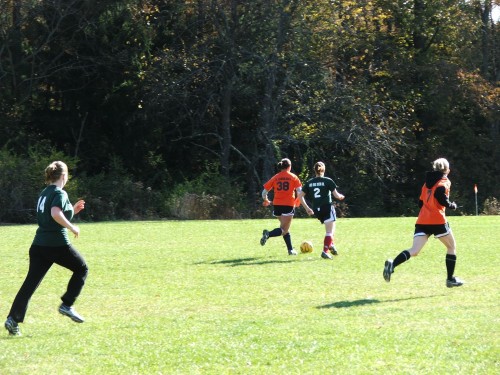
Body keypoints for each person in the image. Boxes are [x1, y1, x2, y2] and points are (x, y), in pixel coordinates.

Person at [4, 161, 88, 336]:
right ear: (64, 176)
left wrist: (72, 210)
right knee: (81, 268)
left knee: (30, 284)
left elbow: (53, 213)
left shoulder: (44, 193)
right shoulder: (60, 192)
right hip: (56, 244)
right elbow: (55, 213)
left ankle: (13, 319)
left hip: (39, 246)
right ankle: (67, 304)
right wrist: (72, 227)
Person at [383, 158, 463, 288]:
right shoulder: (444, 181)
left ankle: (393, 264)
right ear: (447, 170)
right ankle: (450, 279)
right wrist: (451, 205)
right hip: (437, 220)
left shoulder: (426, 184)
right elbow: (440, 196)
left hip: (422, 220)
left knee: (414, 250)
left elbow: (420, 203)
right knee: (451, 247)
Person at [260, 158, 308, 255]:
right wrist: (304, 205)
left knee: (285, 228)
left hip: (277, 205)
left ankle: (290, 250)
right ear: (289, 167)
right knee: (284, 229)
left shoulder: (275, 177)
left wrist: (266, 200)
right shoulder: (293, 177)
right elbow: (300, 192)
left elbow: (264, 192)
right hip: (288, 205)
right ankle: (268, 234)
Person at [300, 161, 345, 260]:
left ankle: (331, 245)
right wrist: (341, 196)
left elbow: (300, 196)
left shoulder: (309, 182)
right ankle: (325, 251)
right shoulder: (327, 181)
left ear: (314, 170)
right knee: (330, 231)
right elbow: (336, 195)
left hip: (317, 210)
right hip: (327, 207)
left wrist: (307, 208)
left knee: (331, 228)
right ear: (323, 169)